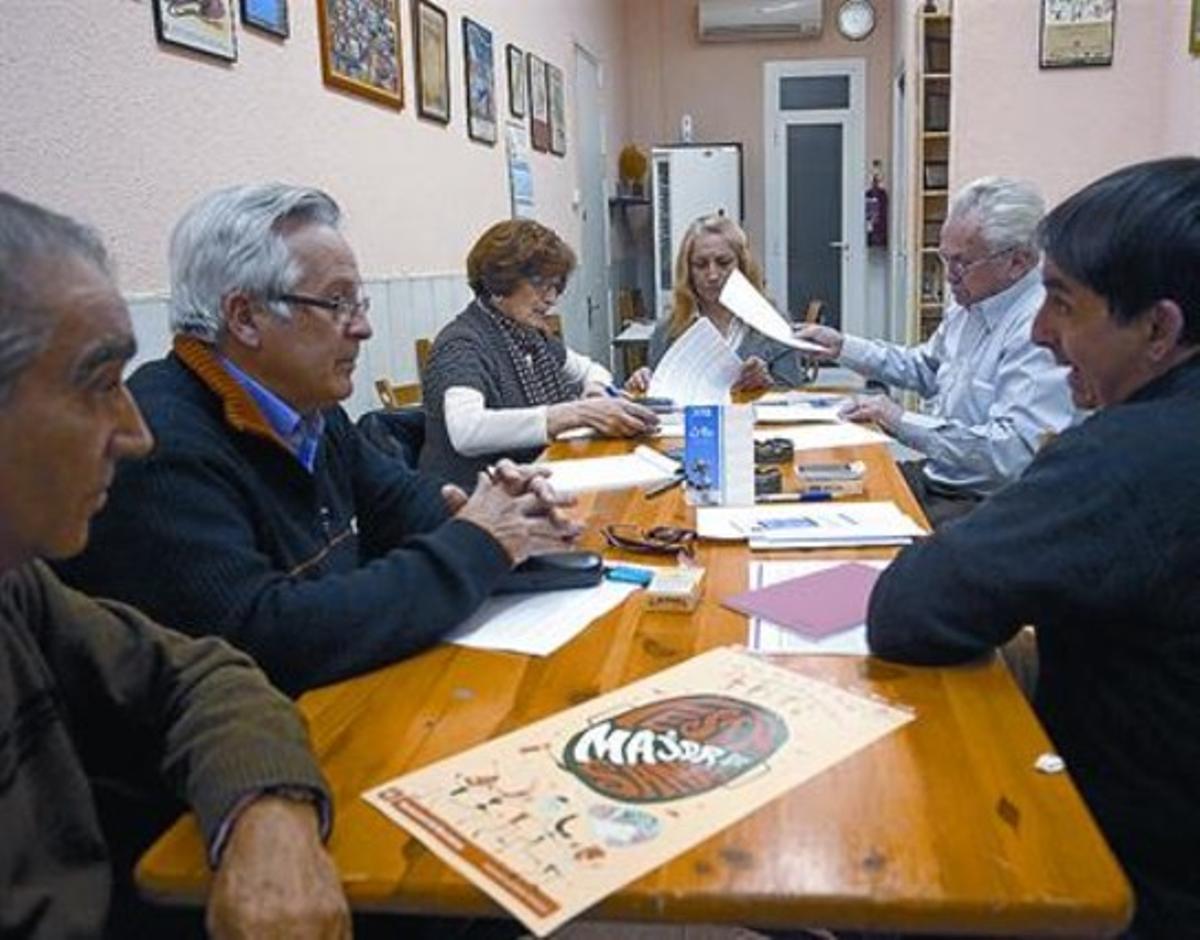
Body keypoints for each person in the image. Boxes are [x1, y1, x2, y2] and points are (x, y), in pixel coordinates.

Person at [56, 184, 580, 697]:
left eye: (361, 303)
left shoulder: (310, 408)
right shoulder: (158, 444)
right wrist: (478, 541)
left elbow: (399, 502)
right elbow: (271, 637)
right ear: (245, 317)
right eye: (338, 304)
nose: (364, 329)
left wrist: (498, 514)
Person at [867, 157, 1200, 937]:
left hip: (1128, 875)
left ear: (1159, 327)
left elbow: (909, 611)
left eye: (1062, 303)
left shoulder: (1136, 455)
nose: (1043, 334)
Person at [0, 191, 348, 938]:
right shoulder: (184, 440)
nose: (135, 434)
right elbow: (264, 630)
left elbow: (203, 674)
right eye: (98, 385)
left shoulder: (17, 590)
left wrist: (267, 808)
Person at [799, 177, 1076, 526]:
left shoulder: (1039, 328)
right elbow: (925, 368)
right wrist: (842, 346)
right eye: (945, 260)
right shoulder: (971, 304)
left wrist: (899, 420)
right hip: (941, 479)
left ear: (1018, 262)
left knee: (866, 540)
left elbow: (1013, 452)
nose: (949, 277)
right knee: (827, 496)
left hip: (988, 505)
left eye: (961, 263)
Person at [419, 218, 658, 487]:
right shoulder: (462, 343)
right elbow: (467, 431)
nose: (551, 298)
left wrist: (595, 390)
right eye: (540, 284)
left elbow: (591, 369)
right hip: (470, 500)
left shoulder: (531, 336)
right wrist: (576, 414)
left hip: (529, 483)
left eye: (556, 286)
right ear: (499, 283)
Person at [625, 213, 813, 395]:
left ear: (742, 266)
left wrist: (766, 385)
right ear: (688, 271)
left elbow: (794, 397)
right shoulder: (669, 328)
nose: (713, 275)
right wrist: (643, 384)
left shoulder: (773, 322)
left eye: (723, 263)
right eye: (700, 264)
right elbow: (660, 402)